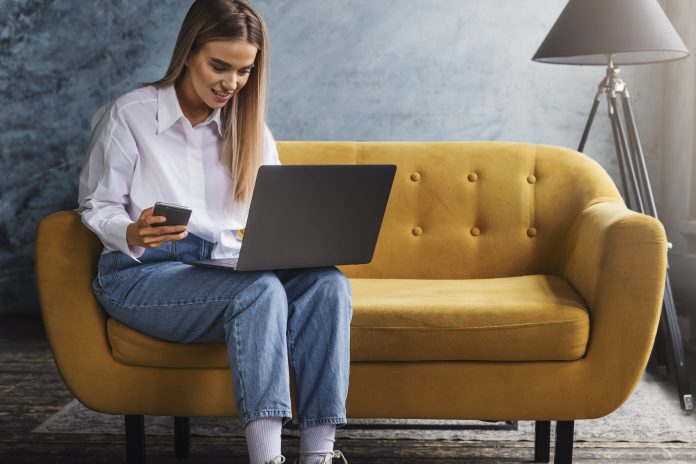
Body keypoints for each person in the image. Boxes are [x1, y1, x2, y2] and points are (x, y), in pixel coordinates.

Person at [77, 1, 352, 463]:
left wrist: (293, 242)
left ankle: (318, 455)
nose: (232, 83)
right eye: (219, 66)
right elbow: (94, 205)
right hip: (141, 272)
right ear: (189, 53)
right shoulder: (129, 116)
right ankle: (267, 458)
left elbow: (274, 213)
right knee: (259, 291)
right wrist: (132, 230)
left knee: (329, 285)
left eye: (244, 71)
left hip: (225, 266)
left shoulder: (251, 128)